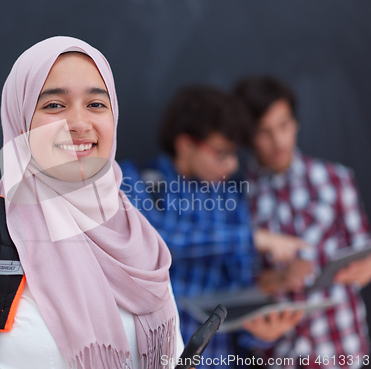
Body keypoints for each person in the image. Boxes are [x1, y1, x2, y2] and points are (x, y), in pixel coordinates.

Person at [0, 36, 184, 369]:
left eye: (96, 104)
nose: (79, 124)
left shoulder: (138, 238)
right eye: (54, 106)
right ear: (21, 122)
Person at [120, 85, 303, 369]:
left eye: (235, 155)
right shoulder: (136, 180)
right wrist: (251, 238)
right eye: (221, 154)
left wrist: (261, 330)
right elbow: (157, 241)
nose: (231, 166)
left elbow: (239, 287)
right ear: (185, 145)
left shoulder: (230, 197)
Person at [235, 75, 371, 369]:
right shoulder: (238, 199)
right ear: (248, 137)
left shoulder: (336, 179)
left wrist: (364, 267)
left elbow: (364, 251)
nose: (278, 141)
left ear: (295, 123)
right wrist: (281, 280)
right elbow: (242, 284)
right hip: (280, 353)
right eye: (264, 132)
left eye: (284, 126)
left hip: (340, 344)